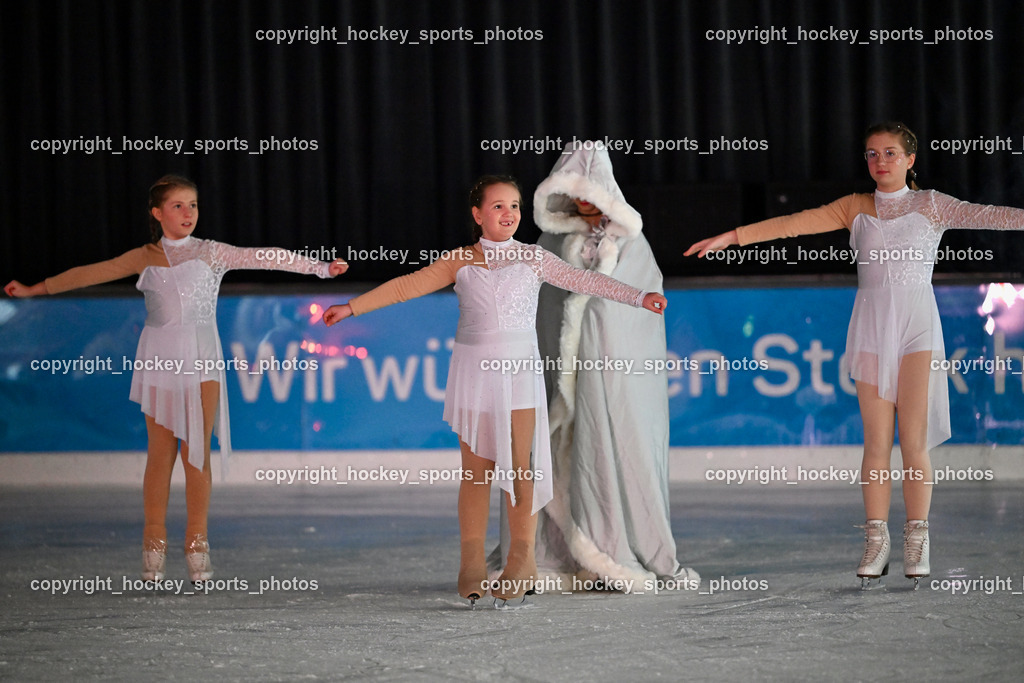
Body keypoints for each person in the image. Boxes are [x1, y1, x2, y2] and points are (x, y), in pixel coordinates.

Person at [685, 121, 1024, 589]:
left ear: (910, 160)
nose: (879, 161)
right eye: (871, 154)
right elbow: (791, 224)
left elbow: (994, 215)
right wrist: (733, 237)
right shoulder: (854, 207)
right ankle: (876, 539)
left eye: (889, 153)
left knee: (914, 441)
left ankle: (917, 538)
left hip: (917, 329)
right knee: (876, 442)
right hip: (870, 329)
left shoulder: (932, 205)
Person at [322, 175, 668, 605]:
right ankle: (470, 560)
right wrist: (352, 307)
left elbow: (588, 282)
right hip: (473, 375)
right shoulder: (459, 261)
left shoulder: (534, 258)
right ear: (478, 214)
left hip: (519, 374)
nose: (510, 214)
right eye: (500, 206)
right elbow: (406, 286)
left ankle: (522, 558)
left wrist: (639, 297)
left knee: (519, 466)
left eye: (516, 206)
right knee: (476, 471)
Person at [5, 175, 348, 582]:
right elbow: (90, 273)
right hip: (157, 358)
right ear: (157, 213)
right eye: (178, 206)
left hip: (202, 356)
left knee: (196, 451)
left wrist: (321, 269)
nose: (188, 213)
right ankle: (153, 544)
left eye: (193, 205)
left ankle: (197, 543)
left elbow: (267, 256)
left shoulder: (212, 252)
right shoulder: (143, 256)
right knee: (160, 453)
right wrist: (34, 290)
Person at [495, 142, 698, 592]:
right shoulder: (549, 242)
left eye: (589, 193)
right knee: (550, 449)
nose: (583, 203)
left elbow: (634, 308)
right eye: (573, 194)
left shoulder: (631, 243)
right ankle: (557, 557)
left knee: (618, 445)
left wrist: (602, 349)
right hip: (558, 375)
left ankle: (617, 550)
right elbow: (542, 309)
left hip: (614, 373)